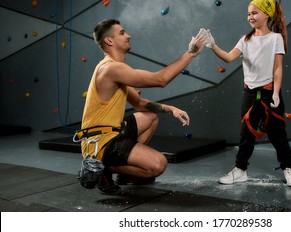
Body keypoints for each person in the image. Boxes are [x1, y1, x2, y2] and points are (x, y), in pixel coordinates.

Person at [77, 19, 207, 194]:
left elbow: (139, 104)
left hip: (112, 133)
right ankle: (102, 168)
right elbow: (160, 80)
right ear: (109, 41)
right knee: (157, 165)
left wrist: (171, 109)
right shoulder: (110, 69)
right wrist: (191, 53)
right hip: (100, 143)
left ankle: (124, 174)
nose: (128, 36)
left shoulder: (116, 70)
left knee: (150, 116)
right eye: (122, 33)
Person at [206, 0, 291, 187]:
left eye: (254, 12)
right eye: (248, 13)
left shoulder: (276, 38)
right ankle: (240, 170)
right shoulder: (245, 39)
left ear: (267, 15)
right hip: (250, 93)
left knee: (277, 134)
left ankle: (288, 169)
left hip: (269, 93)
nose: (250, 16)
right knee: (245, 134)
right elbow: (228, 58)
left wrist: (276, 92)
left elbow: (278, 68)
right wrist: (213, 45)